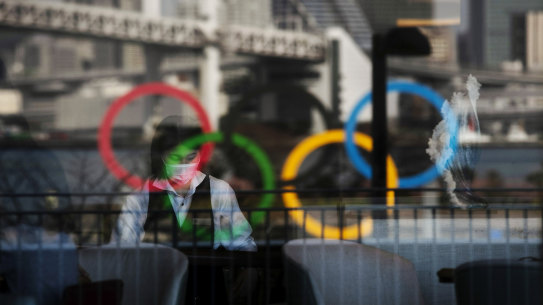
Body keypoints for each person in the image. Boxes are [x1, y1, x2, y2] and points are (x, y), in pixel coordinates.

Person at [111, 115, 256, 251]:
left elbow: (241, 239)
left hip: (207, 274)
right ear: (162, 158)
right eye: (175, 157)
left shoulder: (218, 190)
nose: (183, 163)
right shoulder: (143, 196)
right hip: (159, 274)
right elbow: (123, 244)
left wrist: (248, 268)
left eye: (191, 156)